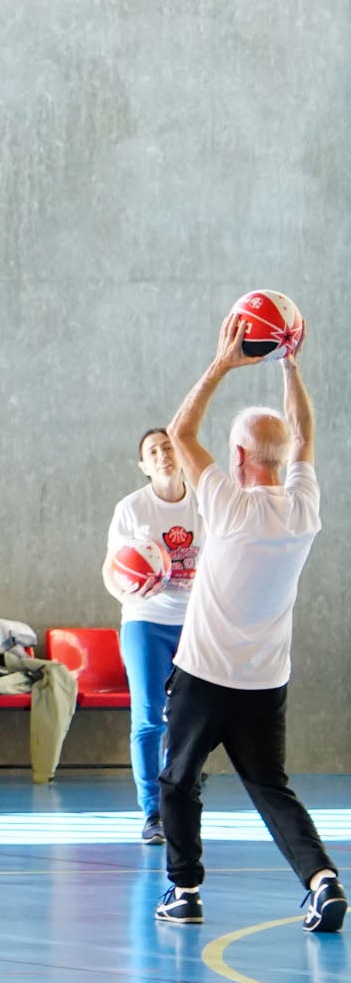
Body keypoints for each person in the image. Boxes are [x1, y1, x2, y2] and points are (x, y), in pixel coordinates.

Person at [152, 313, 344, 933]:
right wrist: (290, 362)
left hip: (205, 676)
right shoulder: (303, 508)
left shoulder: (226, 503)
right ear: (285, 459)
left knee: (178, 782)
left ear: (236, 456)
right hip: (265, 684)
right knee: (271, 787)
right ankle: (323, 881)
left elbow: (180, 430)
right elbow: (306, 434)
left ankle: (184, 891)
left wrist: (223, 363)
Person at [104, 427, 199, 845]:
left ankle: (182, 800)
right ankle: (152, 813)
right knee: (148, 717)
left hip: (197, 623)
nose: (163, 455)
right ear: (144, 466)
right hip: (145, 619)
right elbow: (110, 571)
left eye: (168, 447)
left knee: (191, 721)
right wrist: (126, 589)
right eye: (153, 451)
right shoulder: (131, 509)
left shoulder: (204, 501)